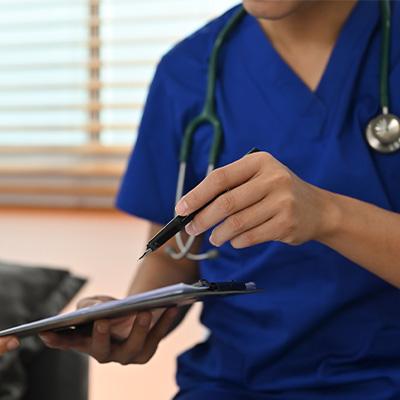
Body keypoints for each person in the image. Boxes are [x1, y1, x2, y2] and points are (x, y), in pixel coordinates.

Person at [41, 0, 400, 398]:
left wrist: (330, 215)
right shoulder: (187, 71)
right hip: (234, 384)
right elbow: (173, 250)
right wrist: (135, 315)